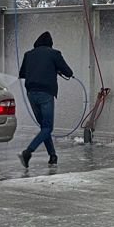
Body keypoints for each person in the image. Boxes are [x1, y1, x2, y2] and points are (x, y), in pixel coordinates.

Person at [17, 31, 74, 168]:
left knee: (44, 127)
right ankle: (28, 151)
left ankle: (52, 156)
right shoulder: (54, 54)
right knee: (48, 127)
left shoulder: (28, 54)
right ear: (50, 44)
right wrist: (55, 70)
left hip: (31, 94)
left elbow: (23, 74)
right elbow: (69, 72)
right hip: (46, 94)